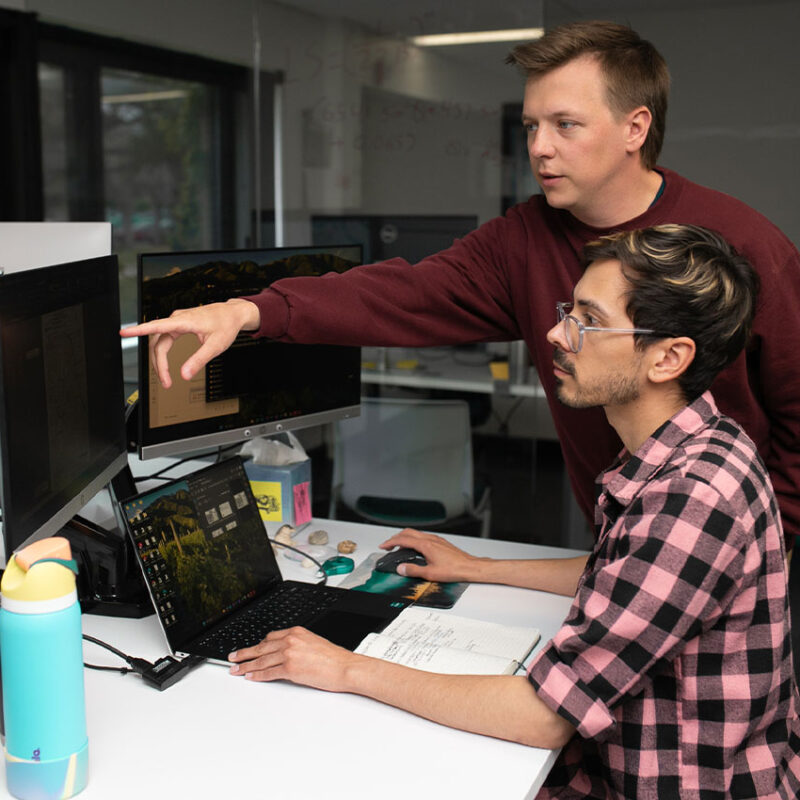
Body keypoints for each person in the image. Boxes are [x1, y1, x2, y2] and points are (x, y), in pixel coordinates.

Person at [120, 20, 800, 550]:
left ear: (634, 127)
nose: (538, 147)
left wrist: (776, 543)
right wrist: (249, 312)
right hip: (619, 541)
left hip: (723, 548)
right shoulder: (522, 237)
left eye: (565, 124)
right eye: (533, 125)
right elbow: (402, 295)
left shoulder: (743, 244)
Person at [228, 224, 800, 799]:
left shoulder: (692, 499)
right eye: (567, 310)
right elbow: (627, 578)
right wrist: (476, 567)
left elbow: (543, 715)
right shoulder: (703, 443)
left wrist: (346, 669)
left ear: (668, 358)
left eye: (589, 321)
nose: (556, 333)